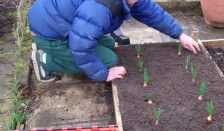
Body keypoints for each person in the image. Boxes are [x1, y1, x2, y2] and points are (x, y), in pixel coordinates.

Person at [28, 0, 200, 82]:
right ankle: (44, 60)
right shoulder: (101, 6)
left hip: (64, 24)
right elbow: (80, 45)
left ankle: (52, 54)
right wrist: (103, 74)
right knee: (109, 61)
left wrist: (180, 35)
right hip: (51, 34)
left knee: (109, 45)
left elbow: (151, 12)